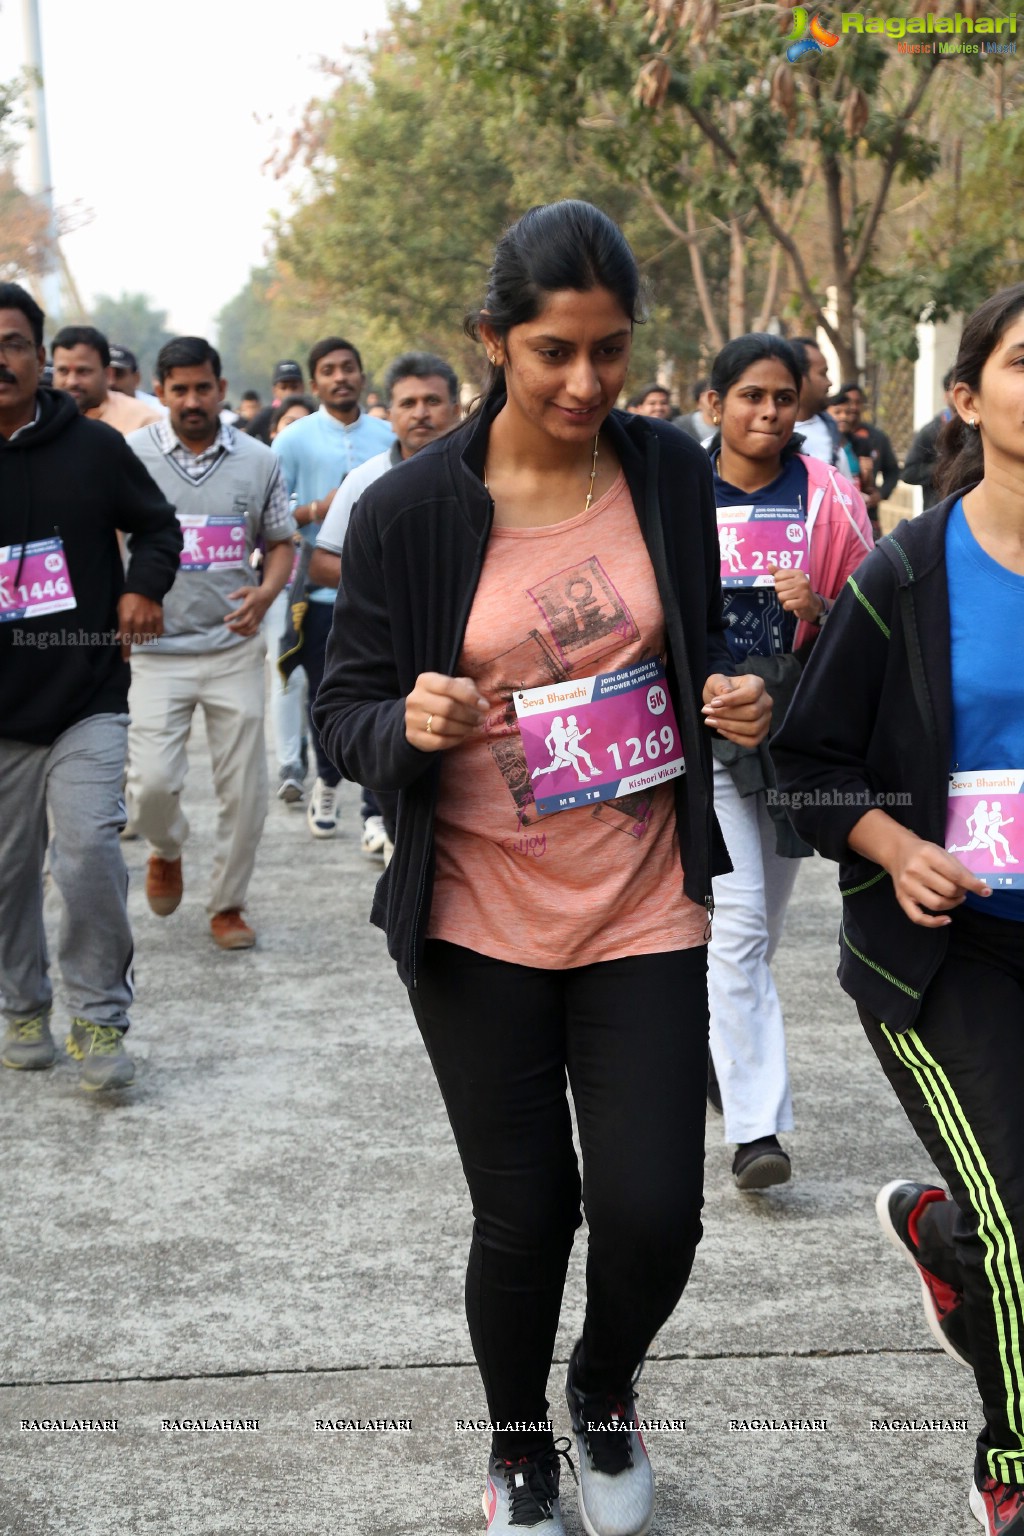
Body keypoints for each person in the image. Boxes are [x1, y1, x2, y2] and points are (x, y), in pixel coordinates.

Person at [313, 200, 770, 1536]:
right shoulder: (407, 513)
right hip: (475, 919)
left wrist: (746, 695)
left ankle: (605, 1386)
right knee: (527, 1216)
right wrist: (407, 723)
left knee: (654, 1215)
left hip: (643, 900)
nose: (586, 382)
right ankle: (520, 1448)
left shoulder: (671, 472)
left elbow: (721, 640)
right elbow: (344, 717)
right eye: (556, 351)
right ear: (493, 340)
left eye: (611, 351)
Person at [772, 283, 1024, 1536]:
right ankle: (1015, 1463)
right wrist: (894, 841)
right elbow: (807, 759)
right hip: (943, 955)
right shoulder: (905, 574)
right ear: (969, 400)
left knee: (1003, 1225)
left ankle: (944, 1239)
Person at [0, 282, 181, 1089]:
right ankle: (22, 1006)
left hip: (87, 696)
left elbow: (157, 526)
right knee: (6, 874)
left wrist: (143, 585)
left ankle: (101, 1020)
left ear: (40, 357)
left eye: (11, 343)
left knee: (85, 857)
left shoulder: (97, 448)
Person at [703, 334, 874, 1188]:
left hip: (790, 736)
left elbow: (872, 625)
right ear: (716, 405)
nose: (767, 412)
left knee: (757, 933)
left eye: (780, 396)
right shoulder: (673, 493)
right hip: (699, 737)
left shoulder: (832, 500)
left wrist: (826, 604)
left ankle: (721, 1054)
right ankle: (756, 1133)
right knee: (734, 932)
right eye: (748, 396)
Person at [125, 337, 295, 951]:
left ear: (221, 389)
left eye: (203, 388)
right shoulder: (131, 456)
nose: (192, 400)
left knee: (246, 791)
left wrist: (266, 594)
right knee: (147, 786)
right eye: (179, 389)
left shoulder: (258, 459)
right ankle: (166, 848)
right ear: (161, 390)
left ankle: (227, 904)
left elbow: (281, 542)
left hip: (231, 650)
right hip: (153, 653)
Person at [310, 351, 462, 858]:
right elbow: (322, 564)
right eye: (408, 403)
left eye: (433, 401)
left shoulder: (488, 475)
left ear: (457, 407)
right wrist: (391, 585)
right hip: (390, 653)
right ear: (389, 414)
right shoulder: (366, 482)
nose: (421, 413)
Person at [272, 335, 392, 840]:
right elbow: (270, 517)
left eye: (348, 368)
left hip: (385, 598)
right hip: (318, 595)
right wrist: (318, 510)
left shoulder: (390, 435)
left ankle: (375, 811)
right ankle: (325, 779)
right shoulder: (293, 440)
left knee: (385, 698)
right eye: (328, 370)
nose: (340, 377)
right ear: (314, 381)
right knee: (327, 697)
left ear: (363, 376)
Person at [266, 393, 317, 806]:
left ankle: (321, 762)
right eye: (288, 424)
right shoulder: (267, 472)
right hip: (282, 590)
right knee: (288, 677)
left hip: (322, 588)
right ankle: (290, 765)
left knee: (317, 681)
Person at [51, 325, 162, 436]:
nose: (71, 382)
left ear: (107, 374)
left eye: (83, 371)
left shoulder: (142, 421)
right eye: (63, 371)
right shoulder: (40, 416)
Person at [902, 367, 957, 511]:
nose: (962, 393)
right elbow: (909, 473)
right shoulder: (930, 431)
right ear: (946, 395)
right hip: (939, 512)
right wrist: (943, 468)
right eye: (955, 388)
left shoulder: (981, 428)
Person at [790, 336, 845, 469]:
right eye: (823, 373)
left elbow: (843, 487)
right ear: (799, 378)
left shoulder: (831, 427)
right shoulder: (774, 436)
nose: (829, 382)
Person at [243, 360, 306, 445]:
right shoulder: (265, 416)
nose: (289, 393)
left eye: (294, 387)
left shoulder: (313, 415)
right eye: (283, 388)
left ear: (303, 387)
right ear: (274, 390)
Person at [109, 344, 165, 415]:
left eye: (119, 374)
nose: (111, 382)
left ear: (136, 378)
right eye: (106, 375)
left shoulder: (159, 412)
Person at [678, 377, 717, 443]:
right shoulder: (681, 426)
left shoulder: (731, 427)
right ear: (699, 401)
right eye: (710, 395)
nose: (715, 399)